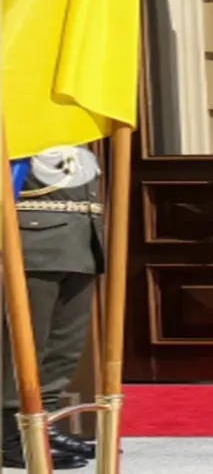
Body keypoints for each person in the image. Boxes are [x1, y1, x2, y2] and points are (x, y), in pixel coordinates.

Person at [3, 145, 106, 469]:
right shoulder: (18, 125)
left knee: (64, 346)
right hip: (32, 246)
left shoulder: (75, 134)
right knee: (22, 348)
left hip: (80, 244)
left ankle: (42, 424)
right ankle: (10, 435)